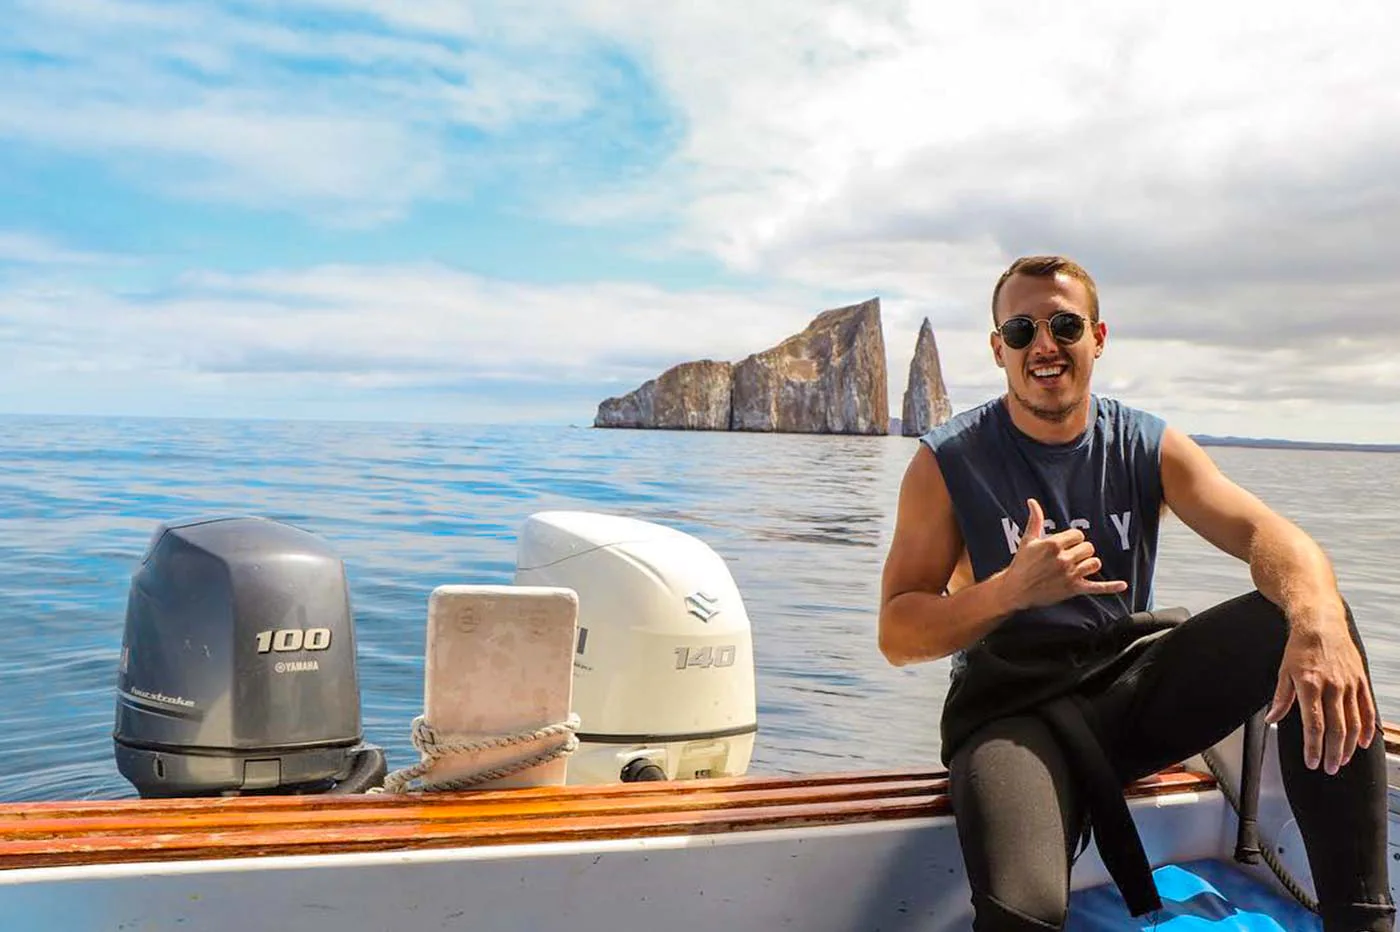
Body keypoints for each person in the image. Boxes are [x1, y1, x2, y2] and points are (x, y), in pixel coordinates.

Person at [877, 255, 1394, 931]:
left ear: (1097, 338)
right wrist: (1007, 591)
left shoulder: (1147, 445)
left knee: (1309, 619)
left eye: (1065, 325)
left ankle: (1362, 922)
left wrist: (1316, 617)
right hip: (1012, 712)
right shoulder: (945, 462)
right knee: (1022, 910)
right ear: (998, 348)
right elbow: (898, 633)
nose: (1044, 344)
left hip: (1129, 686)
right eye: (1022, 328)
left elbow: (1268, 534)